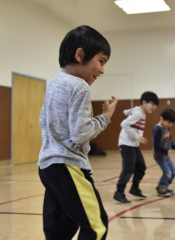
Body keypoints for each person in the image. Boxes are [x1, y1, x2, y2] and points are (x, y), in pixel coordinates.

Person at [38, 25, 116, 240]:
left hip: (48, 167)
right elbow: (80, 134)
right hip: (68, 166)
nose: (102, 70)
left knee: (60, 231)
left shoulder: (54, 83)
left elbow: (43, 121)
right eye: (101, 61)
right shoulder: (80, 86)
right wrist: (105, 117)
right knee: (97, 226)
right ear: (80, 55)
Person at [113, 91, 159, 204]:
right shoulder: (139, 113)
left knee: (141, 167)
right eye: (152, 104)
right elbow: (123, 124)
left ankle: (134, 188)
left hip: (132, 144)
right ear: (144, 102)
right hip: (126, 144)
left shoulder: (138, 111)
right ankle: (119, 193)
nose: (154, 107)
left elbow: (126, 112)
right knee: (128, 169)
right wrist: (137, 136)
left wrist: (128, 112)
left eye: (156, 105)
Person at [152, 108, 175, 196]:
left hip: (166, 155)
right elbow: (156, 145)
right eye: (168, 122)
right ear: (161, 119)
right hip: (159, 155)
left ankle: (165, 187)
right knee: (167, 173)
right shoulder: (157, 129)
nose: (170, 125)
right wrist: (165, 151)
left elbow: (169, 141)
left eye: (172, 123)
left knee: (173, 173)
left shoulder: (167, 128)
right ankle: (161, 188)